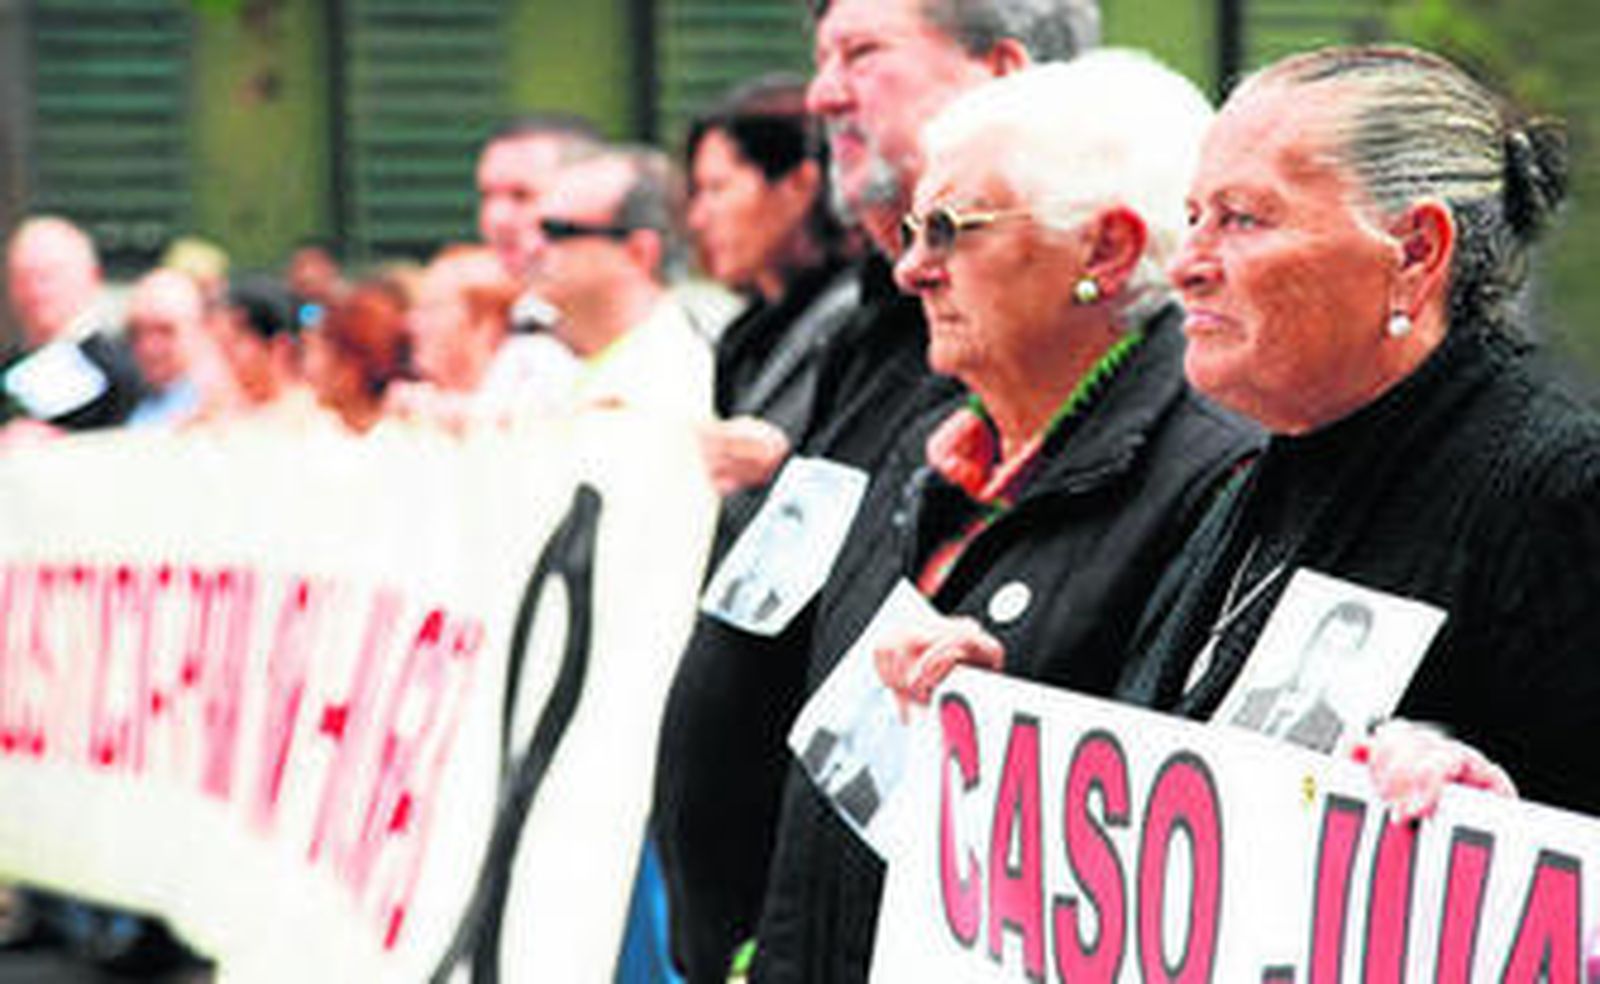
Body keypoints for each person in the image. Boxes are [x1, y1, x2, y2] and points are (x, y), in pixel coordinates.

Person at [758, 53, 1259, 983]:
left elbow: (1190, 857)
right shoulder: (929, 451)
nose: (912, 269)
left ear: (1105, 253)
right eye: (915, 230)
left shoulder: (1220, 478)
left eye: (951, 230)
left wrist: (1007, 708)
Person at [651, 2, 1102, 979]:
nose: (822, 95)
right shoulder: (864, 335)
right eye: (820, 59)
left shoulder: (1042, 366)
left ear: (1002, 73)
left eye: (862, 55)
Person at [1094, 43, 1600, 822]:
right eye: (1194, 217)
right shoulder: (1270, 465)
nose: (1187, 263)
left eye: (1242, 219)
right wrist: (987, 700)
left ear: (1416, 251)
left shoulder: (1556, 491)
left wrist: (1495, 805)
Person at [685, 73, 862, 553]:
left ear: (799, 184)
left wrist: (782, 469)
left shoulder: (854, 323)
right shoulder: (754, 331)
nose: (699, 218)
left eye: (717, 188)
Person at [525, 147, 711, 418]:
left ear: (639, 252)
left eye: (556, 232)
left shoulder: (668, 380)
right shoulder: (548, 361)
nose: (531, 247)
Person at [1, 216, 144, 433]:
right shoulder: (9, 369)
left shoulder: (122, 371)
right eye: (22, 277)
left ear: (92, 276)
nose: (35, 290)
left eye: (47, 276)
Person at [1230, 599, 1374, 752]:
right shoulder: (1255, 698)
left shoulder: (1331, 729)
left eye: (1341, 653)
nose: (1327, 659)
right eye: (1326, 645)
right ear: (1311, 643)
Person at [304, 278, 412, 433]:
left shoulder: (406, 434)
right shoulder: (318, 430)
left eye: (316, 350)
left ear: (351, 366)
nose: (307, 369)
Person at [123, 268, 206, 428]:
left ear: (200, 328)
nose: (147, 347)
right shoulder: (130, 401)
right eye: (135, 332)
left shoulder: (217, 411)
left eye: (165, 331)